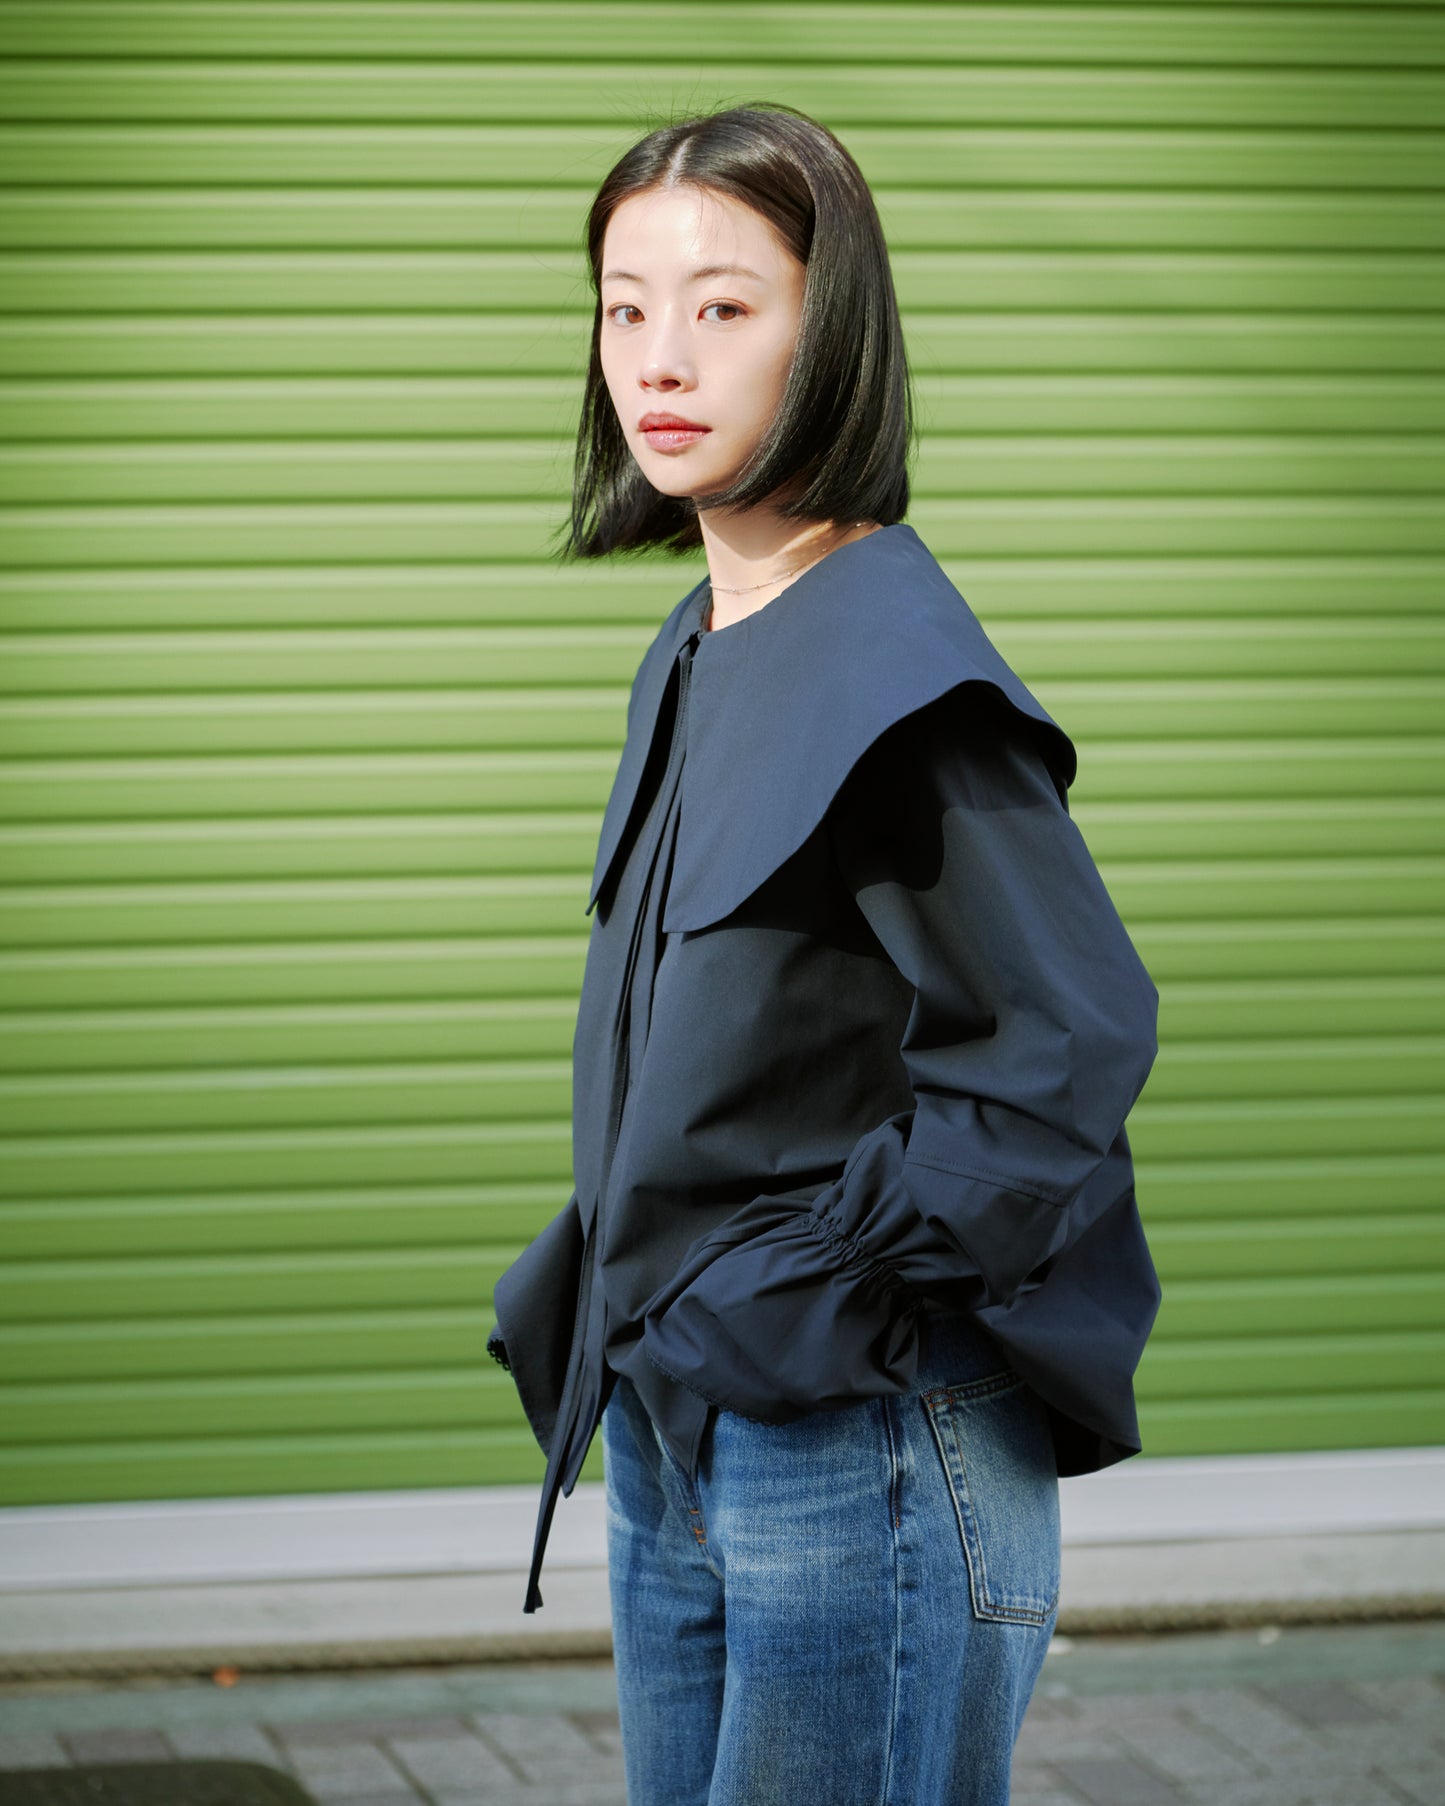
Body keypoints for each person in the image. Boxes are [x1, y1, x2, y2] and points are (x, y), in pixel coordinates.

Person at [486, 101, 1162, 1806]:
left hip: (850, 1439)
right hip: (680, 1424)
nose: (662, 355)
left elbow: (1067, 1034)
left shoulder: (897, 676)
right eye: (626, 304)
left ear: (831, 326)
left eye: (726, 305)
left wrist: (815, 1269)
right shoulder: (702, 641)